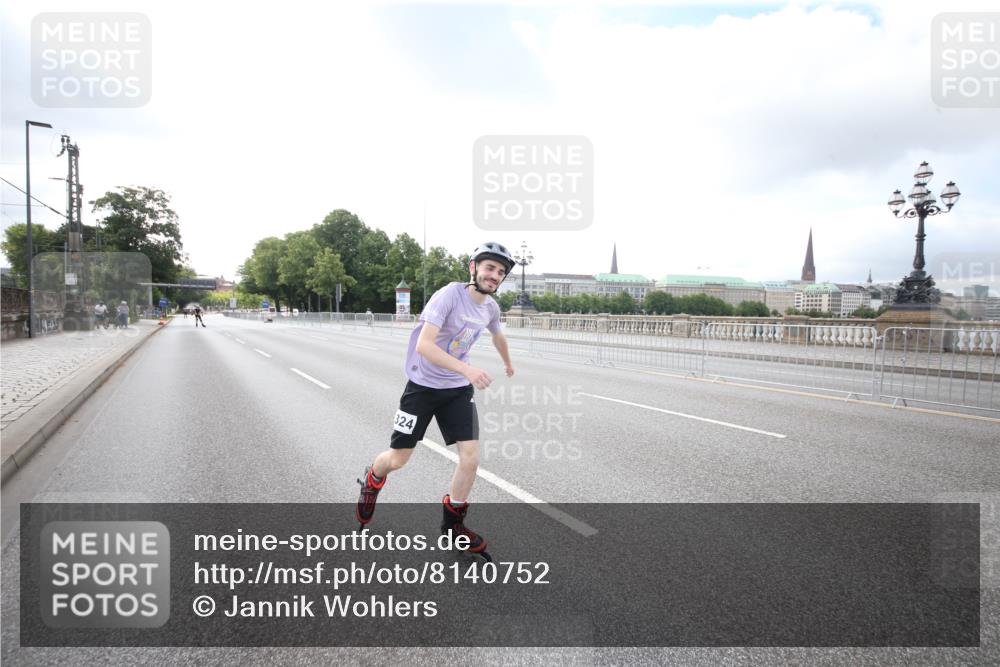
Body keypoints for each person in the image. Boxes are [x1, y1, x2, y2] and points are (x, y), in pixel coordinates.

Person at [357, 242, 515, 557]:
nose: (494, 275)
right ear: (473, 268)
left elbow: (497, 333)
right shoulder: (448, 295)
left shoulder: (490, 308)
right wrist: (467, 369)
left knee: (471, 458)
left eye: (500, 272)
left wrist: (508, 361)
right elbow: (425, 346)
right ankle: (373, 479)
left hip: (457, 390)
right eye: (489, 268)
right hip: (423, 386)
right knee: (398, 460)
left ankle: (453, 526)